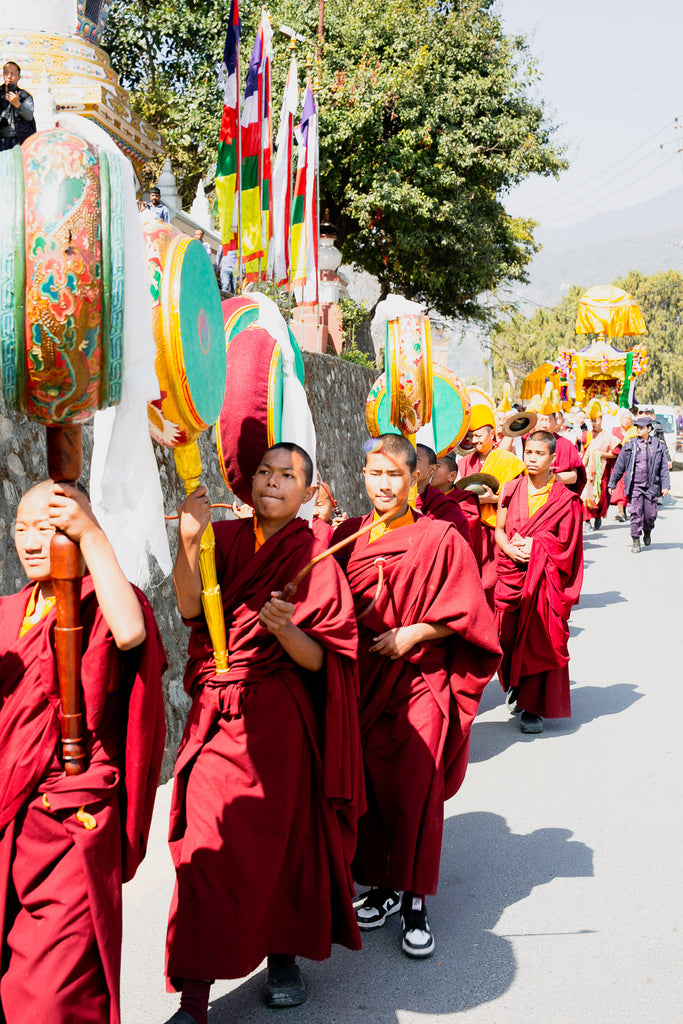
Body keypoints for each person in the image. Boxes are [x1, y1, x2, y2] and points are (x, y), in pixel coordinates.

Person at [164, 443, 363, 1022]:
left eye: (288, 476)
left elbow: (327, 659)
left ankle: (283, 957)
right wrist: (186, 540)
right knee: (203, 852)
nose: (272, 483)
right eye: (264, 473)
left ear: (308, 492)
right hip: (215, 717)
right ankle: (195, 995)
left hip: (278, 719)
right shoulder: (220, 539)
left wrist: (286, 632)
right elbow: (188, 610)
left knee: (282, 845)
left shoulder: (316, 553)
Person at [0, 481, 166, 1024]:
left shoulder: (101, 598)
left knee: (55, 993)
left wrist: (93, 534)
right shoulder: (7, 613)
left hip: (69, 815)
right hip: (10, 818)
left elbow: (130, 632)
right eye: (21, 527)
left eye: (45, 528)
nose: (29, 541)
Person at [334, 434, 500, 960]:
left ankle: (415, 903)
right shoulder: (346, 537)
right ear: (363, 476)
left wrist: (415, 634)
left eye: (393, 476)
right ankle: (382, 888)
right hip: (362, 682)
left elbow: (469, 614)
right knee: (373, 790)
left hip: (419, 682)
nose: (383, 485)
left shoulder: (440, 538)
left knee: (416, 790)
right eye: (373, 474)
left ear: (414, 480)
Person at [494, 431, 583, 735]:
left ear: (552, 459)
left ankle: (533, 708)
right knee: (504, 637)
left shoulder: (565, 500)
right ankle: (515, 683)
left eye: (539, 454)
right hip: (511, 575)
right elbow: (499, 531)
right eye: (528, 452)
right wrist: (510, 549)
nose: (531, 458)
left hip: (543, 579)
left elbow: (567, 545)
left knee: (539, 637)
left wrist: (537, 548)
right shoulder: (510, 488)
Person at [458, 405, 526, 606]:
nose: (475, 440)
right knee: (473, 580)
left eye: (479, 435)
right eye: (471, 437)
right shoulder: (464, 464)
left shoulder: (509, 461)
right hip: (472, 529)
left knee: (495, 581)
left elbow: (520, 497)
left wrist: (494, 500)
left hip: (499, 530)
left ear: (491, 434)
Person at [608, 415, 671, 553]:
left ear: (649, 429)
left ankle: (647, 530)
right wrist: (612, 483)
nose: (638, 429)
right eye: (637, 427)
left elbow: (664, 468)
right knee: (635, 513)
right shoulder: (630, 445)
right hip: (635, 486)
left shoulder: (658, 445)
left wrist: (665, 485)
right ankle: (636, 539)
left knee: (650, 515)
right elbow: (620, 465)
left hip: (651, 486)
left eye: (641, 427)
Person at [430, 451, 484, 570]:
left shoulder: (465, 500)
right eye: (431, 466)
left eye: (437, 466)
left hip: (455, 562)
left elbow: (466, 529)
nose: (432, 470)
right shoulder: (422, 499)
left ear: (452, 476)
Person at [415, 444, 472, 547]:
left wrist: (421, 521)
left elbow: (457, 546)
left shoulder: (445, 507)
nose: (409, 463)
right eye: (406, 458)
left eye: (416, 459)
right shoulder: (390, 497)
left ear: (432, 469)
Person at [535, 395, 587, 496]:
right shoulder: (527, 442)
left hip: (558, 497)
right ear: (535, 422)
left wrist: (552, 477)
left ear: (555, 422)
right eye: (541, 420)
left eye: (549, 420)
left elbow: (574, 477)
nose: (544, 425)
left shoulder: (565, 444)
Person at [581, 402, 620, 529]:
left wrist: (600, 454)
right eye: (591, 421)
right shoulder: (587, 435)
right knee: (586, 495)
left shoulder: (608, 436)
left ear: (601, 420)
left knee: (600, 495)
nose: (593, 424)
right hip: (587, 471)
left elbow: (616, 453)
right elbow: (583, 452)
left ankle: (597, 516)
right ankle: (587, 521)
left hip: (601, 472)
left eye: (596, 421)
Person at [0, 61, 36, 150]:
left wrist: (18, 105)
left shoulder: (24, 95)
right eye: (6, 73)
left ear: (18, 77)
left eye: (12, 74)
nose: (9, 76)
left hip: (20, 139)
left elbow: (29, 116)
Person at [609, 409, 636, 522]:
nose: (626, 420)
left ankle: (623, 510)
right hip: (616, 463)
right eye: (624, 418)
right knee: (619, 487)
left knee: (626, 486)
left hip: (629, 463)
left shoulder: (633, 431)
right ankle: (621, 511)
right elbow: (610, 445)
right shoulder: (615, 431)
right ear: (620, 419)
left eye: (629, 418)